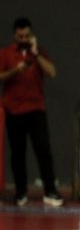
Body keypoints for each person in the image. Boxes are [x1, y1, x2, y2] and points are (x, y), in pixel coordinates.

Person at [0, 17, 62, 207]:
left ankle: (50, 191)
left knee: (43, 150)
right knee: (18, 153)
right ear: (15, 35)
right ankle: (20, 192)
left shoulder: (39, 52)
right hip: (14, 109)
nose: (24, 39)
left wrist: (36, 54)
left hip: (36, 109)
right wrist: (16, 71)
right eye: (20, 36)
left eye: (27, 35)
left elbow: (52, 72)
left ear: (31, 35)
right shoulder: (6, 53)